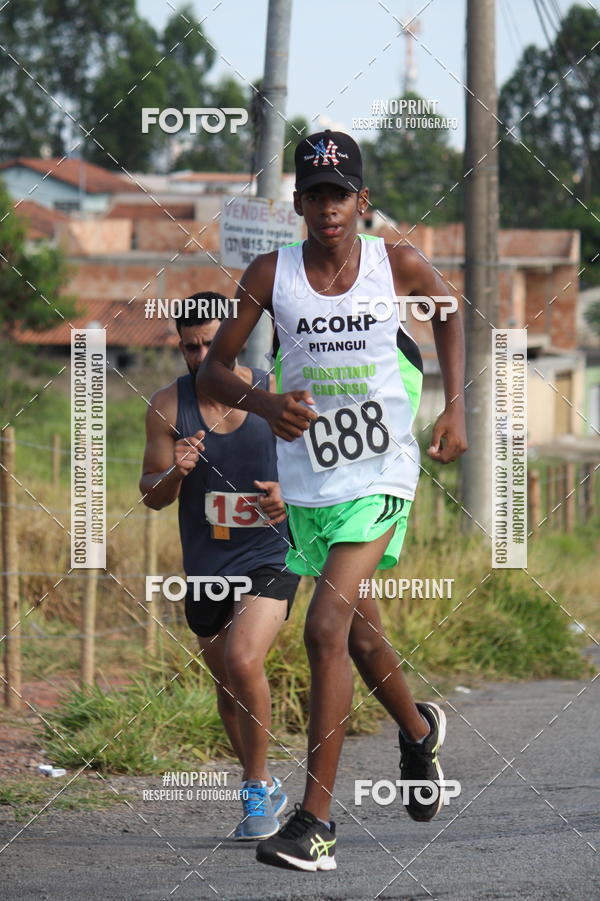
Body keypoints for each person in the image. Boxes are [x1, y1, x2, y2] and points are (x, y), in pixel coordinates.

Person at [198, 130, 468, 872]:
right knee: (360, 639)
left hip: (382, 475)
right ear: (298, 204)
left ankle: (315, 823)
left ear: (361, 200)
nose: (328, 208)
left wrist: (456, 407)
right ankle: (419, 732)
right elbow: (214, 372)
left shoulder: (394, 262)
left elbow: (448, 311)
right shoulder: (270, 274)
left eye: (339, 195)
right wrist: (265, 403)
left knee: (324, 628)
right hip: (310, 482)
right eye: (315, 195)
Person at [139, 292, 300, 841]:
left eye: (211, 343)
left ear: (234, 339)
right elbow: (151, 496)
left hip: (272, 554)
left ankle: (253, 789)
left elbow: (320, 472)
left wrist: (289, 497)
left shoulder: (274, 392)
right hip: (207, 564)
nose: (202, 355)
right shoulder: (167, 406)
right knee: (227, 689)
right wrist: (175, 473)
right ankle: (265, 781)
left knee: (242, 657)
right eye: (191, 347)